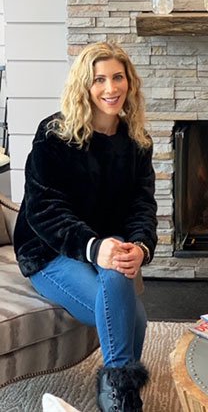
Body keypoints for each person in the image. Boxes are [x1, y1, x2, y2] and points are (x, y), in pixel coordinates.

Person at [13, 42, 158, 412]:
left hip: (111, 249)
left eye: (117, 77)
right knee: (133, 319)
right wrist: (94, 248)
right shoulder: (54, 135)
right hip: (49, 252)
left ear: (129, 82)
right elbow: (43, 210)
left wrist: (140, 246)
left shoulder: (137, 142)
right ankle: (122, 401)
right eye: (99, 80)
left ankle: (117, 400)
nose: (110, 88)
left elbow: (143, 207)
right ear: (84, 86)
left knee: (115, 277)